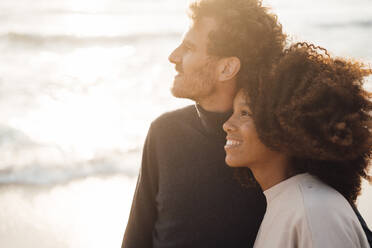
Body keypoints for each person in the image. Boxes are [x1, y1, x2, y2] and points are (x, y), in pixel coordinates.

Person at [121, 0, 286, 247]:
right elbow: (135, 239)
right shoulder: (165, 133)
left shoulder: (277, 144)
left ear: (227, 67)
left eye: (188, 47)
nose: (173, 56)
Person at [223, 42, 372, 247]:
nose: (227, 125)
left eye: (245, 113)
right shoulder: (291, 202)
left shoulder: (315, 210)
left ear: (286, 125)